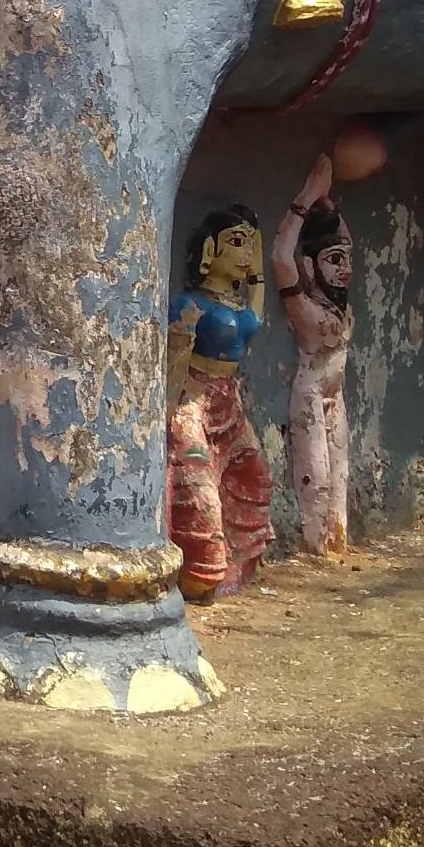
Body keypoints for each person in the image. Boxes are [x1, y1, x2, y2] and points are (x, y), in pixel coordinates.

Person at [168, 205, 275, 601]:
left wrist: (258, 271)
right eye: (236, 242)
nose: (246, 252)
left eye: (251, 244)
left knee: (254, 474)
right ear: (210, 249)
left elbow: (254, 321)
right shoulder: (188, 303)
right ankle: (201, 572)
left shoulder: (236, 307)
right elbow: (174, 353)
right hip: (192, 398)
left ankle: (237, 563)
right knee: (196, 484)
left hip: (228, 400)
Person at [273, 153, 354, 557]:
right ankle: (316, 546)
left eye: (347, 260)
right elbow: (280, 259)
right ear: (311, 264)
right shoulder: (305, 308)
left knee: (341, 474)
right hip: (309, 393)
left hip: (335, 395)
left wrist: (330, 206)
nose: (345, 270)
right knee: (317, 477)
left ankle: (337, 544)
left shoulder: (340, 306)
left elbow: (343, 239)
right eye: (334, 260)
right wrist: (305, 199)